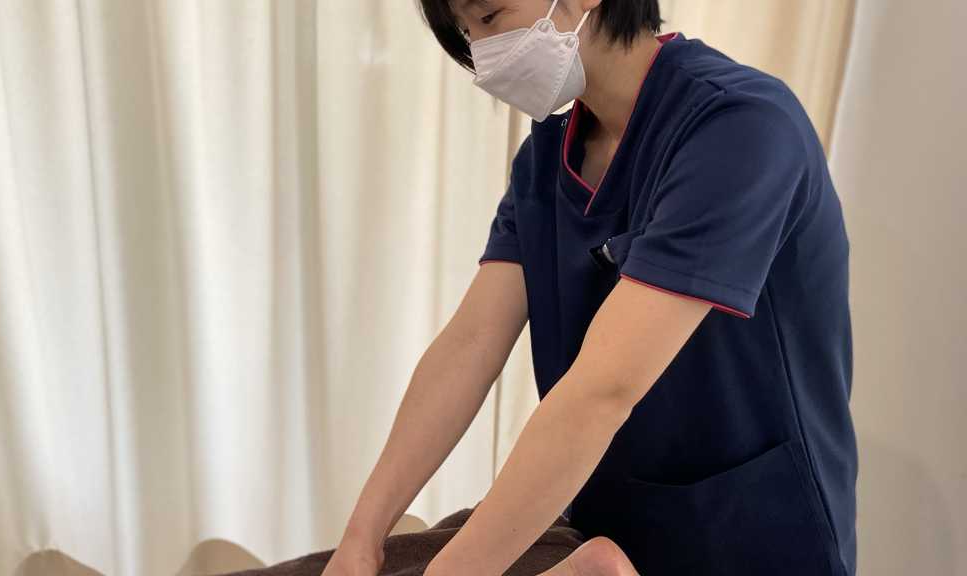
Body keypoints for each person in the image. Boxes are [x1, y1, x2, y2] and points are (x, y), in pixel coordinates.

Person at [325, 1, 857, 575]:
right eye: (466, 32)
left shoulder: (740, 128)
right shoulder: (546, 159)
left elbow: (603, 390)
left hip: (752, 539)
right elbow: (470, 344)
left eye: (490, 16)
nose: (480, 50)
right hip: (609, 527)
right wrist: (362, 537)